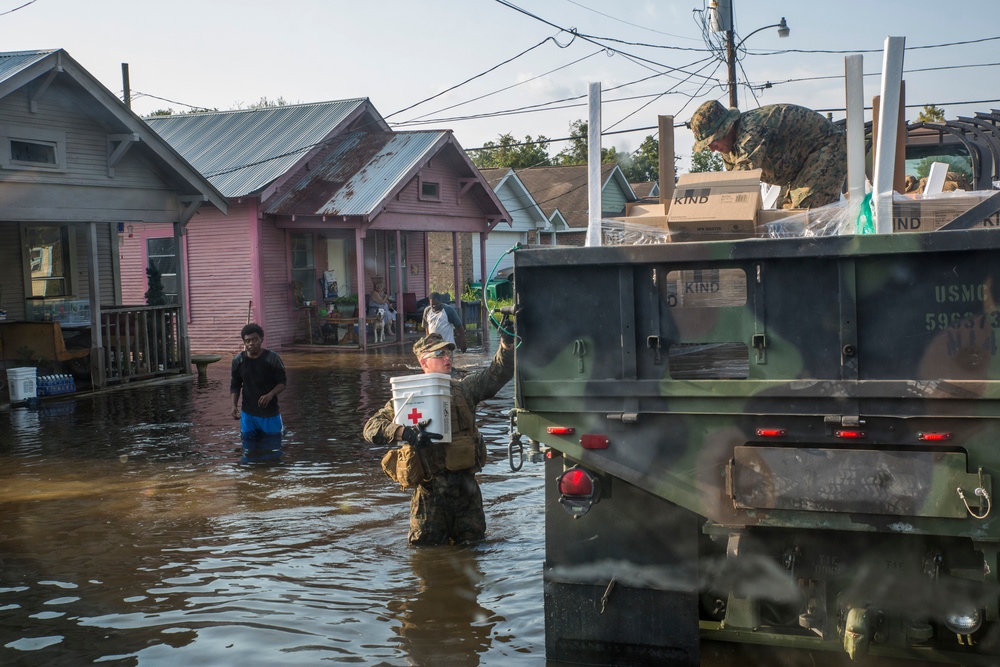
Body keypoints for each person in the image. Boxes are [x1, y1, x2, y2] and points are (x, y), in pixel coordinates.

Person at [363, 327, 515, 545]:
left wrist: (507, 345)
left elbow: (497, 374)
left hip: (466, 491)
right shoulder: (406, 398)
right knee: (426, 554)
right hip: (429, 495)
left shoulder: (465, 389)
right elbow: (371, 428)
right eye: (440, 354)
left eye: (449, 354)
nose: (447, 358)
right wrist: (404, 432)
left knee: (474, 551)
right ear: (424, 363)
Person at [689, 100, 847, 209]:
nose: (712, 149)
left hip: (826, 146)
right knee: (785, 216)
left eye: (712, 142)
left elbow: (742, 178)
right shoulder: (729, 148)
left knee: (807, 210)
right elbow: (731, 186)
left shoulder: (751, 128)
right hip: (799, 167)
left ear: (726, 128)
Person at [230, 323, 287, 463]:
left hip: (270, 414)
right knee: (248, 451)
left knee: (273, 450)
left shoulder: (272, 358)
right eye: (247, 341)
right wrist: (233, 406)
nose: (251, 344)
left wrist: (270, 394)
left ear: (261, 339)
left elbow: (282, 383)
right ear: (244, 342)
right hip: (248, 414)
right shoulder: (238, 360)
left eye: (254, 340)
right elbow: (235, 385)